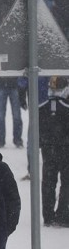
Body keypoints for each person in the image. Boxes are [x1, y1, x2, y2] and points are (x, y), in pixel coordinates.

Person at [39, 77, 69, 226]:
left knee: (48, 184)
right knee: (66, 183)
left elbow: (36, 134)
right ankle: (63, 216)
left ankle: (48, 216)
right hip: (66, 152)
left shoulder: (41, 109)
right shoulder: (67, 108)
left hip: (48, 152)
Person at [0, 77, 24, 149]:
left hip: (13, 85)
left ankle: (17, 140)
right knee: (1, 116)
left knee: (16, 116)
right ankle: (0, 141)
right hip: (1, 85)